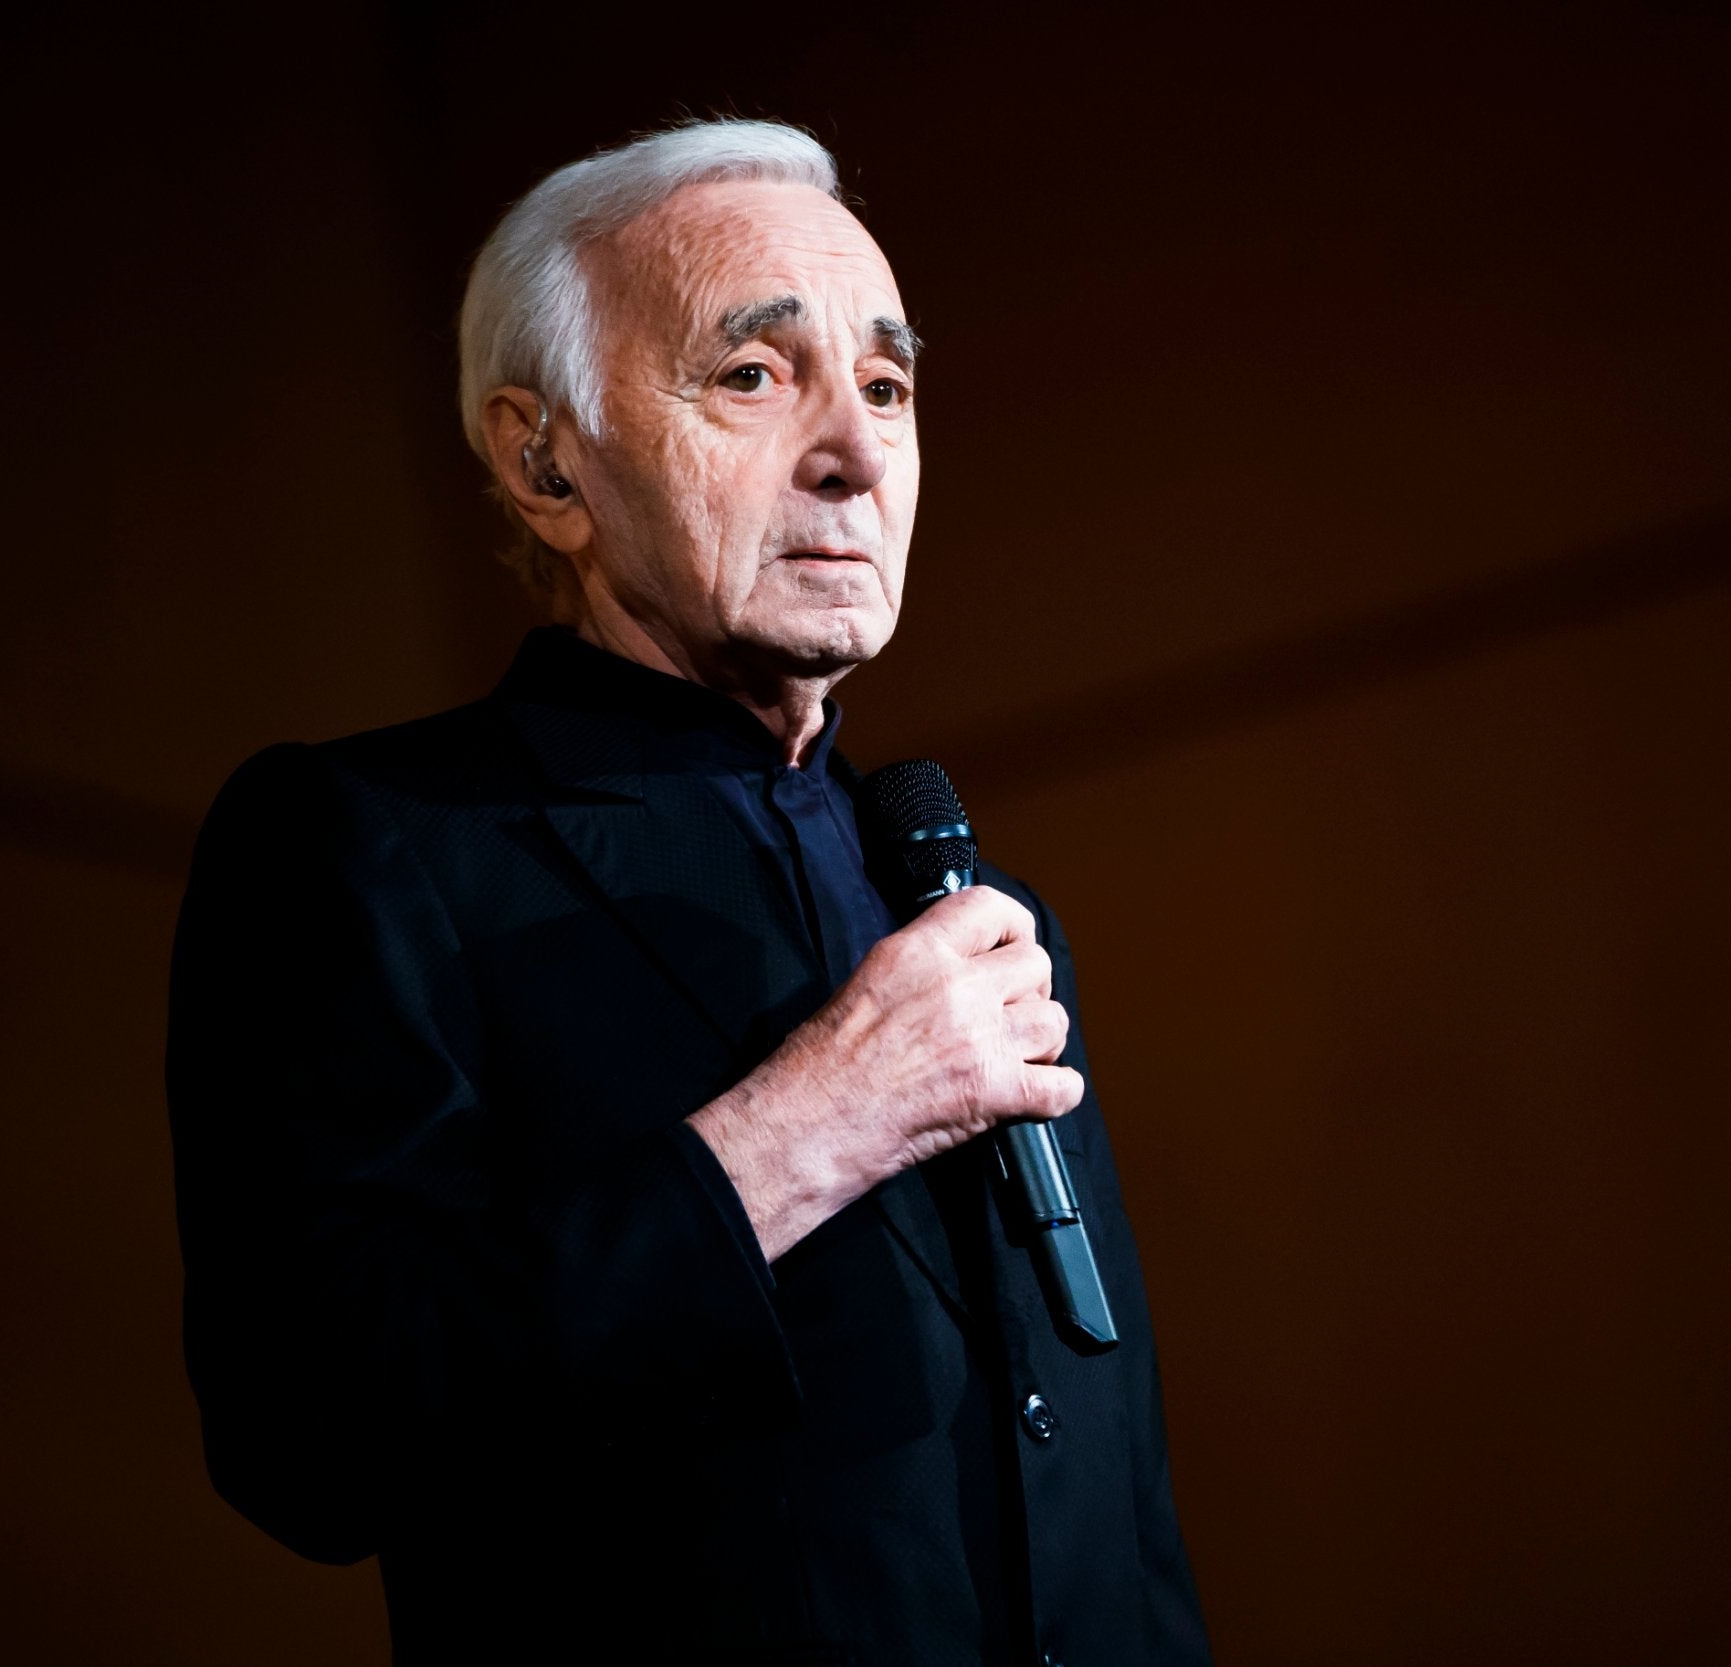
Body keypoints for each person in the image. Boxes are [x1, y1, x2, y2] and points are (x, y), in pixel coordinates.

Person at [166, 117, 1209, 1666]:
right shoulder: (372, 843)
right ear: (545, 463)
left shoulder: (975, 904)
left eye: (889, 384)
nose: (856, 450)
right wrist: (799, 1133)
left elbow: (1108, 1502)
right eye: (753, 375)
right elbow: (315, 1434)